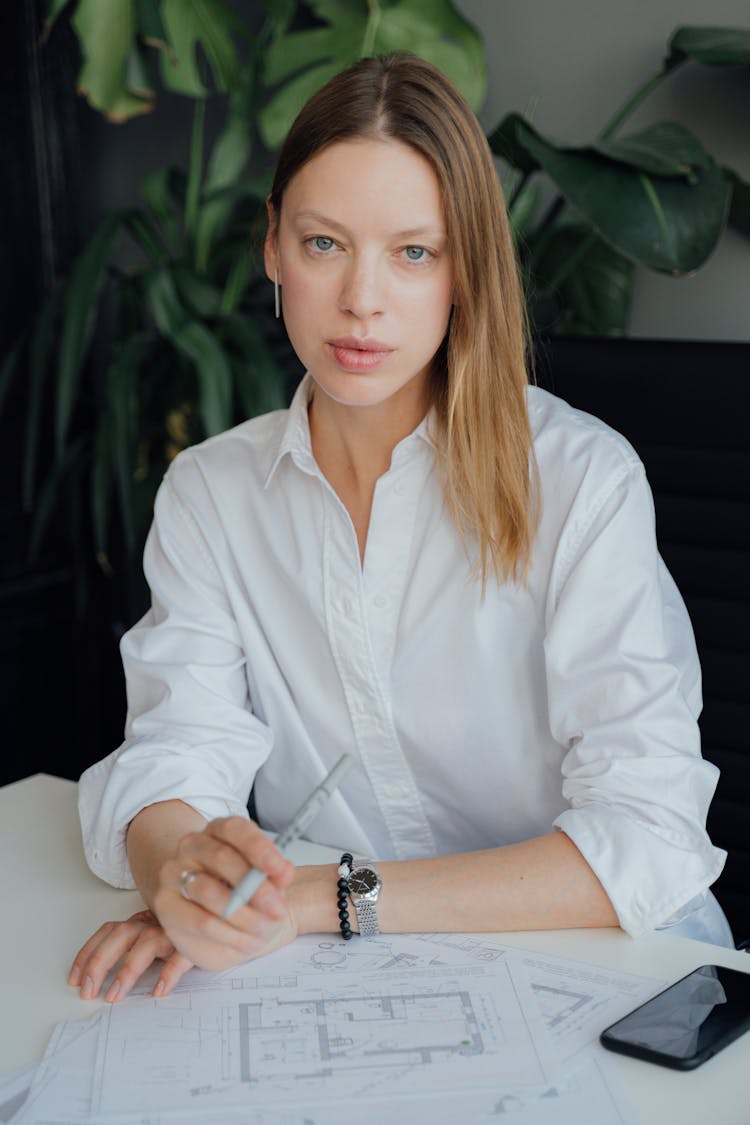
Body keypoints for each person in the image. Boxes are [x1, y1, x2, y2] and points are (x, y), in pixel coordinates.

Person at [69, 54, 732, 1006]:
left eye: (412, 252)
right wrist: (190, 878)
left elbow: (647, 837)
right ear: (272, 247)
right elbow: (177, 749)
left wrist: (317, 900)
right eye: (325, 243)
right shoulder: (211, 494)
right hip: (358, 983)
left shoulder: (583, 482)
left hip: (614, 974)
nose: (362, 300)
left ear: (463, 268)